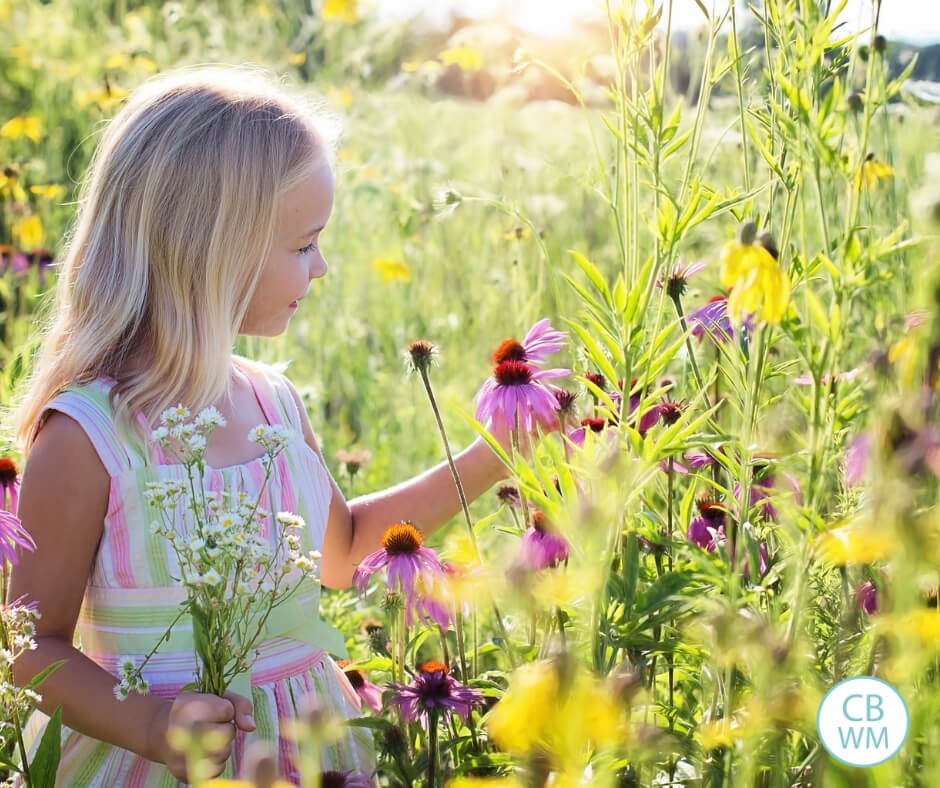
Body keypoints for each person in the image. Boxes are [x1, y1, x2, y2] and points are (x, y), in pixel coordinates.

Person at [6, 65, 518, 786]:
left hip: (311, 753)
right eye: (303, 245)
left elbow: (339, 552)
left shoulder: (275, 402)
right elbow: (30, 649)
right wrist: (153, 726)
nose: (324, 267)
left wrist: (491, 456)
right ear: (210, 253)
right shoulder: (90, 437)